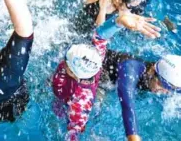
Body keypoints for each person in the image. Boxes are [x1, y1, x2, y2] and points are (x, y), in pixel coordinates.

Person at [52, 13, 161, 141]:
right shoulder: (95, 55)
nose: (63, 61)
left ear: (74, 75)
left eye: (66, 63)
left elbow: (74, 131)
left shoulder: (81, 101)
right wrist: (120, 20)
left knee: (58, 112)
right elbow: (101, 34)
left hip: (66, 96)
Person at [102, 49, 181, 141]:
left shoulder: (155, 78)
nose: (163, 91)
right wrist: (133, 137)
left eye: (170, 89)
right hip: (100, 76)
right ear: (152, 71)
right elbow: (128, 105)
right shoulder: (130, 70)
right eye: (162, 85)